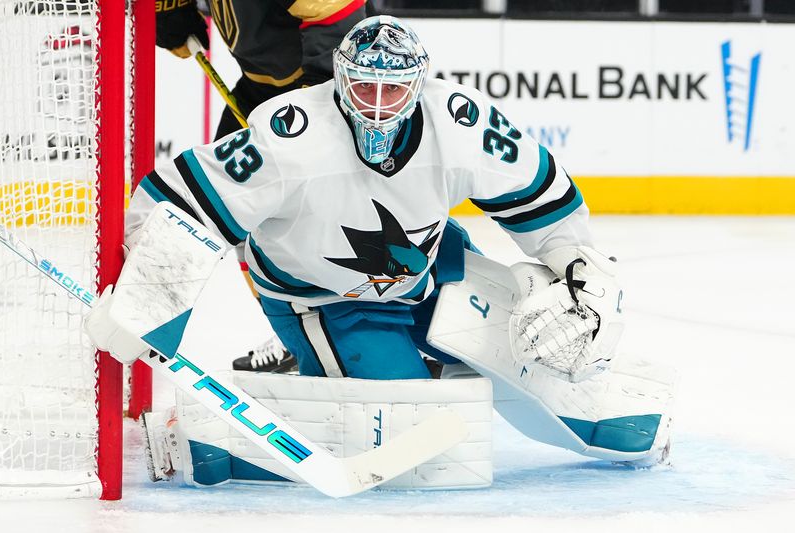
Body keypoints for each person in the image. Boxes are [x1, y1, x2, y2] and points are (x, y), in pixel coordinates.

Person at [87, 16, 675, 489]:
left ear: (419, 84)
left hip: (431, 270)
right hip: (326, 301)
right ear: (338, 80)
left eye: (392, 87)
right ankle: (203, 438)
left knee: (555, 364)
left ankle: (603, 412)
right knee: (414, 441)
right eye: (363, 86)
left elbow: (545, 200)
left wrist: (580, 270)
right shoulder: (292, 135)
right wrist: (148, 299)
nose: (376, 103)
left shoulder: (460, 123)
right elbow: (178, 199)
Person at [155, 0, 373, 139]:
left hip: (316, 97)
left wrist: (317, 96)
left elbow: (336, 16)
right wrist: (170, 9)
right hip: (256, 92)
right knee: (214, 192)